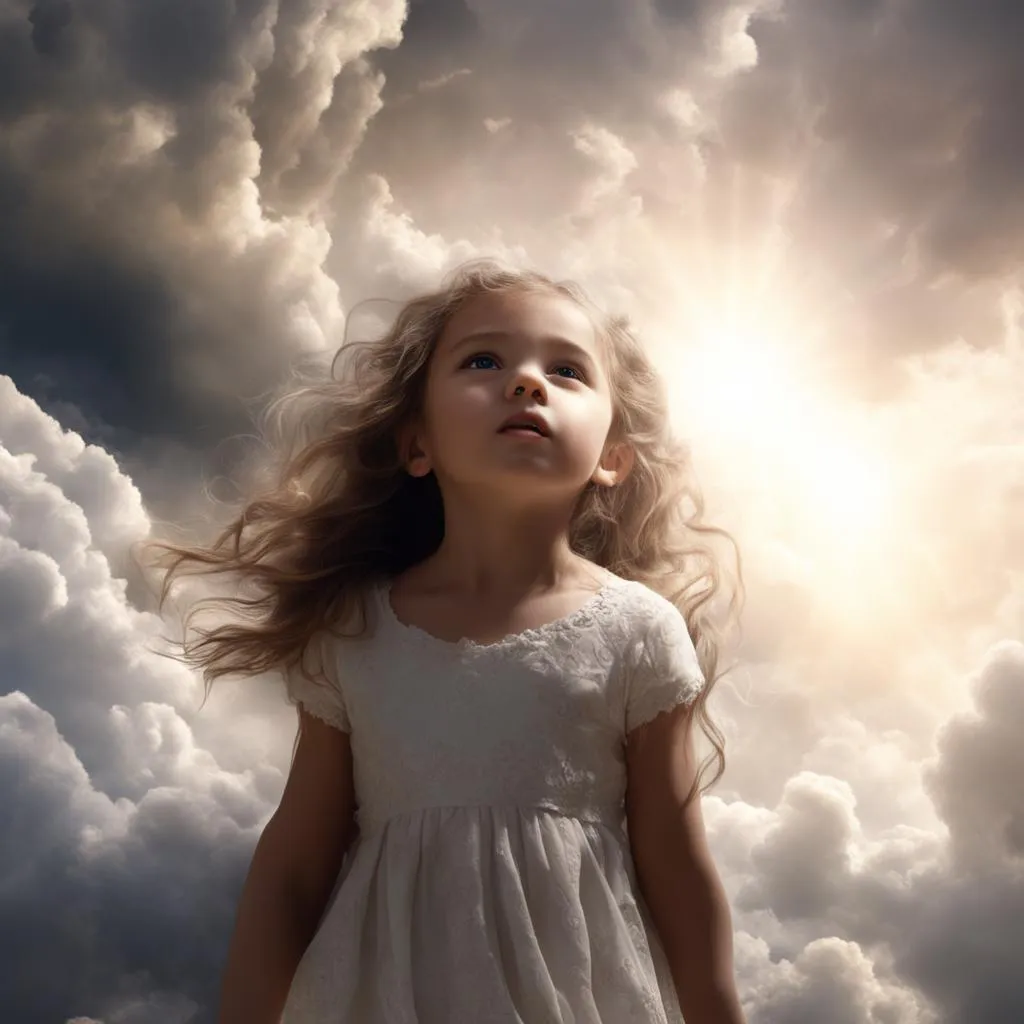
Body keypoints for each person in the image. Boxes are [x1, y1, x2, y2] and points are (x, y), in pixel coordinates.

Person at [144, 259, 746, 1023]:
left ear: (610, 459)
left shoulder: (637, 631)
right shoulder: (353, 631)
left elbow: (678, 871)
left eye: (566, 370)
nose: (527, 383)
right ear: (417, 441)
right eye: (484, 360)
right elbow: (296, 866)